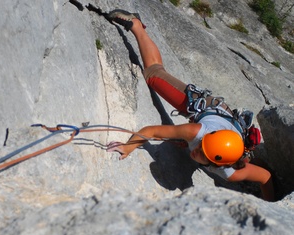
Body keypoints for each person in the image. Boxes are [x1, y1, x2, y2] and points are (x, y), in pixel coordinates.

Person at [106, 9, 275, 201]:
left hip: (235, 136)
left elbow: (265, 177)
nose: (196, 150)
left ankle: (259, 163)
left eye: (202, 153)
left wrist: (269, 207)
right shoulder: (196, 132)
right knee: (154, 75)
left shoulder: (232, 172)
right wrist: (129, 147)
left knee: (247, 162)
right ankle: (136, 25)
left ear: (217, 164)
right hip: (210, 109)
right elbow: (151, 131)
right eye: (201, 146)